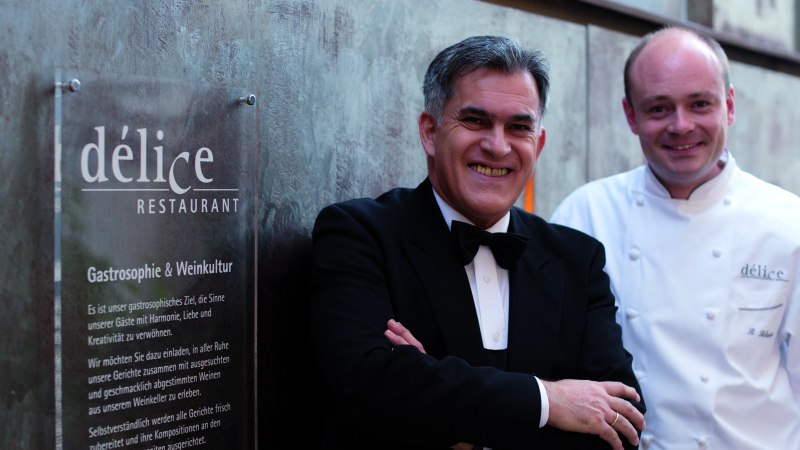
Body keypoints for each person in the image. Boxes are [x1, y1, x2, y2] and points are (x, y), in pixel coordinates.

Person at [309, 35, 645, 450]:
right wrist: (549, 402)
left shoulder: (578, 258)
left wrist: (439, 405)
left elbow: (621, 422)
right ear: (430, 132)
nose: (498, 145)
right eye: (476, 121)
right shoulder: (358, 234)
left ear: (537, 145)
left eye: (519, 127)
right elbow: (369, 387)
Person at [550, 26, 800, 450]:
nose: (681, 126)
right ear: (631, 116)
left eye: (699, 104)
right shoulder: (584, 214)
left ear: (730, 105)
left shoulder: (788, 223)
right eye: (659, 108)